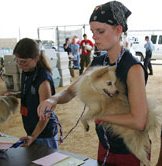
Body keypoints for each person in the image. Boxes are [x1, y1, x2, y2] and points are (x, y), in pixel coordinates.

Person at [37, 1, 150, 165]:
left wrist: (98, 115)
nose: (94, 36)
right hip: (106, 144)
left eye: (100, 31)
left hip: (129, 149)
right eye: (92, 31)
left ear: (118, 30)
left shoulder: (132, 68)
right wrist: (53, 99)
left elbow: (139, 121)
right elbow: (70, 91)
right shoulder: (98, 62)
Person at [10, 38, 58, 149]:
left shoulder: (43, 80)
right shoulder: (27, 71)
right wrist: (15, 94)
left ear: (36, 59)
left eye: (24, 62)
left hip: (43, 133)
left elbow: (45, 115)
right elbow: (29, 92)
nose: (20, 65)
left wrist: (33, 136)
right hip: (31, 128)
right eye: (18, 61)